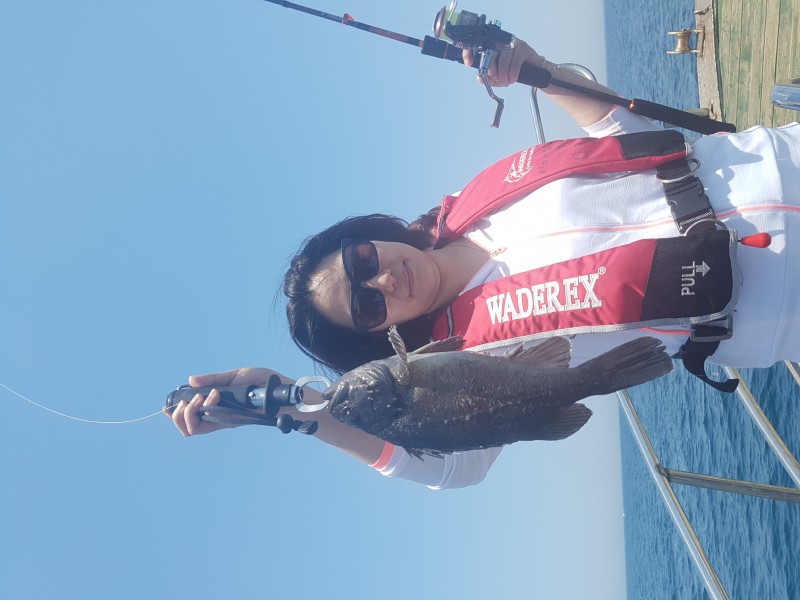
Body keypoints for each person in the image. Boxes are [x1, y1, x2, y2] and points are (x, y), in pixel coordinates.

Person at [165, 40, 800, 489]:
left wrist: (538, 70)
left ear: (369, 236)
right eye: (367, 304)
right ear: (378, 335)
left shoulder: (478, 200)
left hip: (776, 158)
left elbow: (618, 131)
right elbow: (451, 469)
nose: (382, 278)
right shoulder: (469, 359)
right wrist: (297, 412)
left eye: (361, 259)